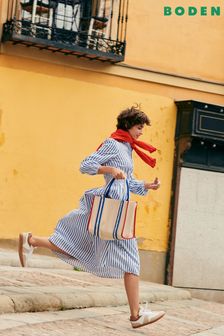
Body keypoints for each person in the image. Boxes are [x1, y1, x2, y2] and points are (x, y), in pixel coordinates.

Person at [18, 106, 165, 328]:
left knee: (80, 248)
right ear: (127, 125)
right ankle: (136, 315)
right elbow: (85, 165)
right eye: (139, 127)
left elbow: (128, 181)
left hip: (118, 210)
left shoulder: (126, 147)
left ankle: (31, 240)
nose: (141, 132)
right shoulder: (113, 144)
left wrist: (147, 185)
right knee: (130, 261)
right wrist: (109, 170)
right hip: (109, 208)